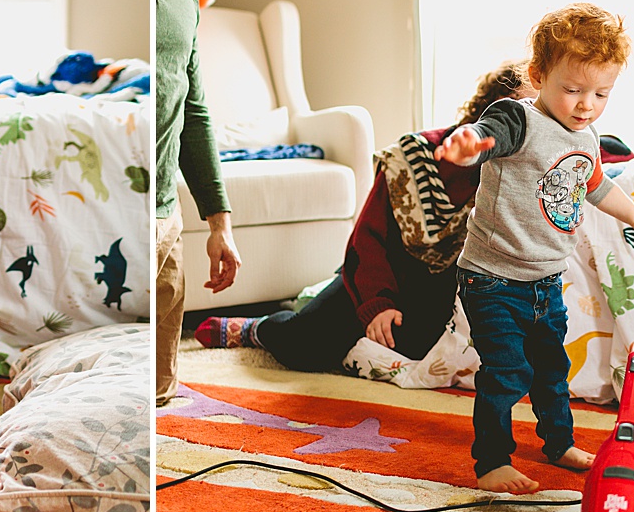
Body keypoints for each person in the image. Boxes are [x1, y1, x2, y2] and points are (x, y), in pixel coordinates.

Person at [436, 3, 634, 495]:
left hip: (545, 279)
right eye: (573, 89)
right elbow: (487, 134)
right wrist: (469, 143)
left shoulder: (586, 134)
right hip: (493, 277)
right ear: (539, 75)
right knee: (506, 371)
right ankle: (492, 460)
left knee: (551, 369)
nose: (587, 104)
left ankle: (557, 442)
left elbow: (597, 185)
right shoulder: (517, 118)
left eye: (601, 93)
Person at [194, 61, 529, 371]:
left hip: (439, 293)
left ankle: (319, 310)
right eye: (519, 113)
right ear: (492, 109)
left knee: (415, 353)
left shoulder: (518, 175)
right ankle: (259, 327)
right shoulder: (414, 155)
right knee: (303, 347)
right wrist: (377, 304)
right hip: (379, 274)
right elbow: (367, 238)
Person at [155, 0, 240, 406]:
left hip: (164, 223)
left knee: (158, 392)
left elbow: (196, 112)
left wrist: (218, 223)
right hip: (111, 220)